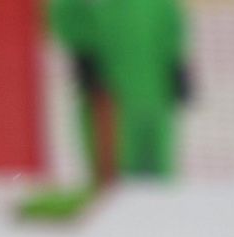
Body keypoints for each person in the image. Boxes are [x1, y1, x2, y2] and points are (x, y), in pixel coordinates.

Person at [49, 0, 191, 184]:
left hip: (154, 93)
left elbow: (171, 24)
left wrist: (177, 64)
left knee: (157, 170)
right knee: (116, 173)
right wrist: (82, 50)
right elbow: (64, 13)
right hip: (110, 94)